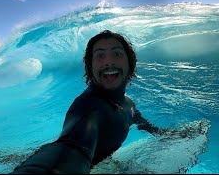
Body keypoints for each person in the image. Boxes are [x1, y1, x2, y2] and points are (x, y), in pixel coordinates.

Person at [10, 30, 185, 174]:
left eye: (117, 54)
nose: (109, 61)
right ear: (90, 66)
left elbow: (144, 124)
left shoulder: (129, 105)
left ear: (130, 63)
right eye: (100, 56)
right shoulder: (90, 108)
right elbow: (72, 147)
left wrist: (170, 134)